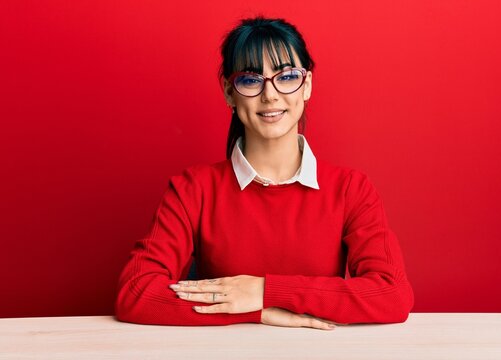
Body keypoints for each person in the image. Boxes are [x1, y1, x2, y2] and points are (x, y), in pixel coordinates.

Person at [115, 16, 414, 331]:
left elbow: (391, 294)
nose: (270, 95)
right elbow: (136, 292)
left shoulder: (351, 189)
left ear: (307, 85)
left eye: (286, 77)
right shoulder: (193, 189)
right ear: (230, 92)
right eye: (250, 79)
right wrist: (255, 312)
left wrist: (262, 290)